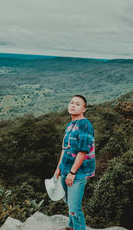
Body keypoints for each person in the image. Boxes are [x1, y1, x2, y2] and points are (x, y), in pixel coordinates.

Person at [54, 95, 95, 230]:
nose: (73, 105)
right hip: (65, 170)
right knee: (68, 201)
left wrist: (72, 172)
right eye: (71, 102)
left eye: (77, 104)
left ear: (84, 109)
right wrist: (58, 168)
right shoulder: (70, 125)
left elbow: (83, 151)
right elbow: (64, 149)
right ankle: (71, 227)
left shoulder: (85, 125)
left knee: (74, 208)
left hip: (77, 173)